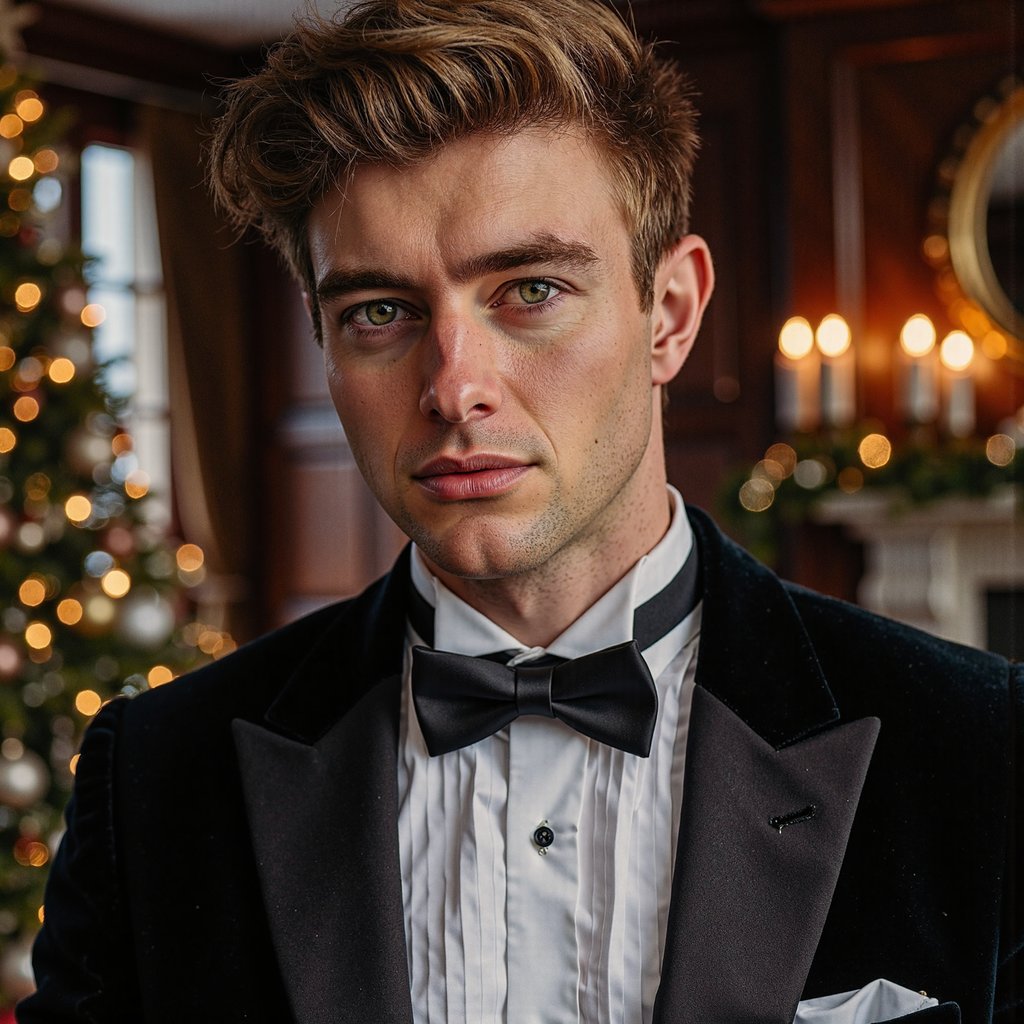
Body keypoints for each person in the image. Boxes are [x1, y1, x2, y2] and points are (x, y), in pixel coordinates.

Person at [18, 1, 1021, 1021]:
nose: (455, 387)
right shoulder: (155, 777)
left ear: (669, 314)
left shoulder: (988, 752)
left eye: (529, 290)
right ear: (324, 342)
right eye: (379, 312)